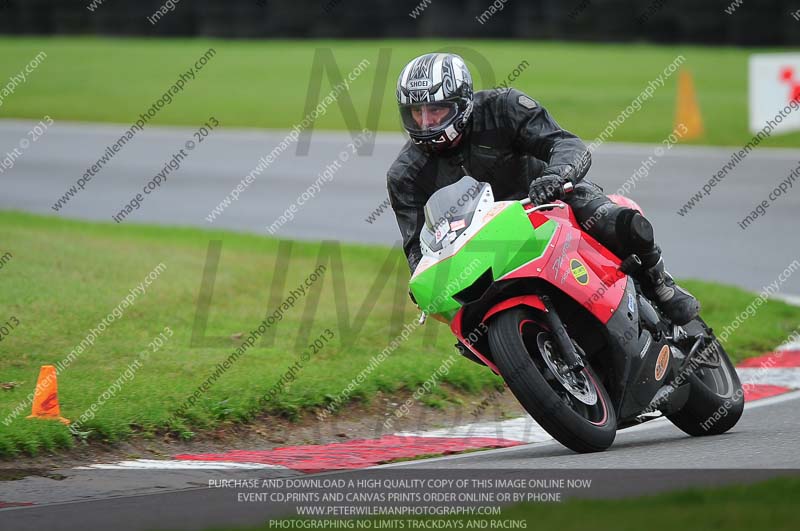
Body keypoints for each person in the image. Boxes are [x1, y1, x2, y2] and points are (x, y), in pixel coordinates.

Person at [386, 52, 699, 326]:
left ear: (462, 101)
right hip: (482, 245)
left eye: (436, 110)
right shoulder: (405, 175)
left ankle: (661, 283)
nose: (426, 122)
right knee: (465, 320)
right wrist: (424, 282)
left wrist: (554, 177)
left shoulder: (503, 107)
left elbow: (566, 144)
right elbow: (417, 246)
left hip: (546, 203)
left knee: (612, 219)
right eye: (417, 112)